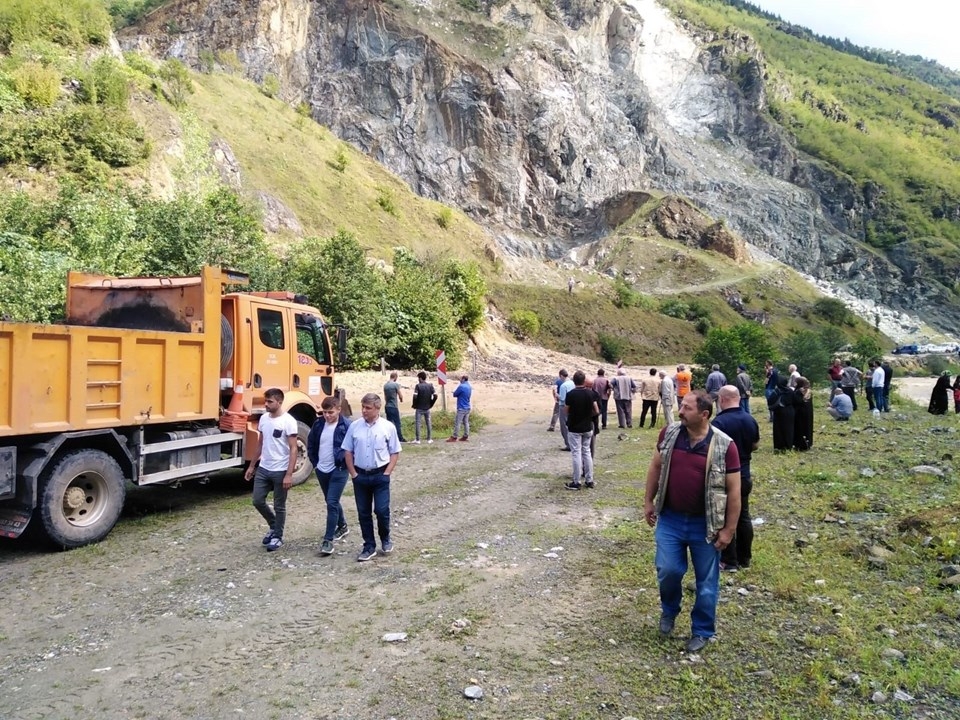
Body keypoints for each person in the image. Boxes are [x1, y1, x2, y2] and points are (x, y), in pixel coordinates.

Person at [643, 390, 741, 654]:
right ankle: (669, 611)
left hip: (705, 525)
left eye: (686, 408)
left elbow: (734, 491)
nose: (680, 411)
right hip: (671, 519)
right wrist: (648, 501)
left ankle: (702, 630)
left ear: (704, 414)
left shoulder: (724, 445)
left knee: (707, 582)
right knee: (668, 570)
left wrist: (729, 530)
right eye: (681, 406)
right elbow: (655, 467)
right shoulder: (669, 434)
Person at [342, 393, 402, 562]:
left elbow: (394, 451)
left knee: (382, 510)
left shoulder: (387, 427)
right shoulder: (355, 426)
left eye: (368, 408)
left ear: (377, 408)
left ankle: (385, 538)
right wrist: (353, 473)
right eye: (362, 407)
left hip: (380, 475)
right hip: (360, 475)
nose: (364, 411)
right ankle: (369, 546)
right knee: (363, 512)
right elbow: (348, 450)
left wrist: (387, 472)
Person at [244, 387, 299, 552]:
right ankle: (274, 525)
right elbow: (260, 443)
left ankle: (277, 536)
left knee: (279, 505)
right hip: (264, 468)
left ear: (279, 402)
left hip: (280, 470)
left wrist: (289, 474)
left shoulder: (289, 421)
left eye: (270, 401)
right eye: (265, 401)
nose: (266, 404)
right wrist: (252, 466)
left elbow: (294, 449)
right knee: (257, 500)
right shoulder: (264, 420)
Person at [712, 386, 760, 571]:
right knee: (743, 517)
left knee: (725, 518)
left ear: (722, 400)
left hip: (726, 478)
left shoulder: (719, 423)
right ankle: (745, 558)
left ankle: (729, 560)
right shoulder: (750, 419)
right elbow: (755, 444)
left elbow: (713, 451)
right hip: (745, 475)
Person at [307, 395, 352, 555]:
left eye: (330, 412)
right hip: (322, 469)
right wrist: (315, 464)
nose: (327, 415)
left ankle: (328, 541)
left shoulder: (347, 426)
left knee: (331, 502)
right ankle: (343, 526)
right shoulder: (318, 424)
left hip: (339, 469)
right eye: (324, 412)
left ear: (339, 410)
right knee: (330, 500)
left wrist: (349, 465)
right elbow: (311, 443)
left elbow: (353, 448)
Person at [564, 371, 599, 490]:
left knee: (576, 453)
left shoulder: (571, 394)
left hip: (574, 427)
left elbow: (566, 410)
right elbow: (596, 410)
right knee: (587, 452)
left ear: (574, 381)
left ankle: (576, 481)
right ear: (584, 381)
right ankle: (589, 480)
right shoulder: (590, 394)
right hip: (587, 426)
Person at [769, 375, 795, 452]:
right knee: (789, 429)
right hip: (789, 411)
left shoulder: (776, 391)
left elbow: (770, 401)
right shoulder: (790, 391)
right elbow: (794, 400)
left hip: (779, 411)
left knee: (778, 429)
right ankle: (788, 445)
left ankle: (779, 446)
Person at [411, 371, 437, 444]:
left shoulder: (418, 386)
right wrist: (431, 403)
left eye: (418, 378)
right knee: (428, 423)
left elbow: (415, 396)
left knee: (418, 423)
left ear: (420, 378)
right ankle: (429, 439)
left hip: (419, 407)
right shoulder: (430, 385)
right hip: (427, 407)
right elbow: (435, 396)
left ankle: (418, 439)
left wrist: (414, 404)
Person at [382, 371, 406, 443]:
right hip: (394, 406)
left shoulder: (385, 385)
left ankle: (390, 438)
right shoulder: (395, 385)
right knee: (397, 423)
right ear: (395, 377)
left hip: (387, 406)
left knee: (389, 423)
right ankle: (400, 438)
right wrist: (401, 400)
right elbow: (400, 395)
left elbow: (385, 397)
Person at [448, 375, 472, 441]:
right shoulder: (469, 387)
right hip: (468, 406)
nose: (460, 380)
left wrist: (454, 392)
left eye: (461, 379)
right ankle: (466, 435)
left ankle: (454, 436)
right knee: (466, 422)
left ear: (463, 379)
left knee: (458, 422)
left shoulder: (461, 386)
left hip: (461, 407)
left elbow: (455, 394)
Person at [792, 377, 813, 451]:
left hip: (799, 413)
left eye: (796, 382)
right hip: (808, 412)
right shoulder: (809, 391)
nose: (794, 384)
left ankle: (800, 444)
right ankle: (808, 443)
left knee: (800, 428)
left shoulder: (799, 391)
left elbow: (796, 401)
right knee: (807, 427)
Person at [557, 370, 576, 450]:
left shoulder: (563, 386)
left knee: (564, 426)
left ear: (561, 376)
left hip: (563, 406)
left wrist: (556, 395)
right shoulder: (572, 383)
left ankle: (568, 444)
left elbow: (562, 399)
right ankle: (573, 443)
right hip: (572, 406)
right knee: (571, 425)